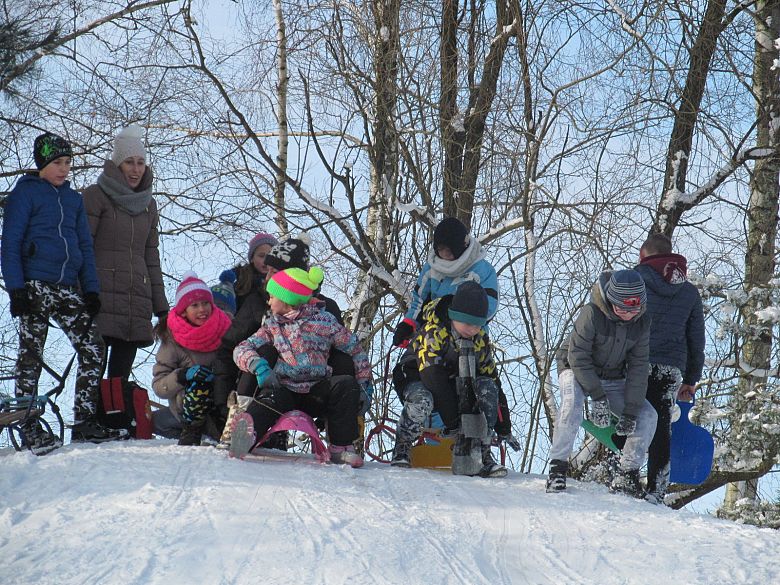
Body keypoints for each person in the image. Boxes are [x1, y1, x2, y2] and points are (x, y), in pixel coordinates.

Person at [1, 132, 124, 450]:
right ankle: (27, 423)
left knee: (94, 348)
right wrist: (16, 288)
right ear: (42, 163)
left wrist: (92, 290)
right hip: (34, 285)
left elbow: (84, 244)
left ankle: (83, 422)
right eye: (57, 163)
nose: (64, 169)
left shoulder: (73, 199)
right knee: (32, 353)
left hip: (68, 287)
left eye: (68, 163)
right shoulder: (25, 194)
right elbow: (10, 242)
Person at [212, 235, 351, 448]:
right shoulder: (258, 302)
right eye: (267, 270)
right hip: (267, 387)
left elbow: (345, 351)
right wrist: (223, 401)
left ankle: (340, 439)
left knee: (343, 360)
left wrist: (347, 397)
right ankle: (240, 422)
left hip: (313, 387)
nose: (266, 276)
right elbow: (230, 347)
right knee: (264, 351)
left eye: (273, 272)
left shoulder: (325, 308)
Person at [390, 217, 516, 449]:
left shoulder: (481, 269)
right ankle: (435, 441)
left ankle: (477, 444)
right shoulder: (432, 268)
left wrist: (458, 310)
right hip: (435, 332)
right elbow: (420, 297)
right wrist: (409, 322)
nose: (445, 255)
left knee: (473, 390)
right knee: (436, 392)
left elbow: (487, 306)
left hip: (468, 337)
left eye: (449, 251)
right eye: (440, 250)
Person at [231, 267, 372, 467]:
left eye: (272, 296)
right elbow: (242, 348)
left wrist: (364, 382)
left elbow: (354, 349)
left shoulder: (324, 321)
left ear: (287, 300)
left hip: (316, 391)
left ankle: (340, 447)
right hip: (285, 389)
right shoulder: (272, 326)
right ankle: (247, 435)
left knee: (345, 384)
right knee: (268, 398)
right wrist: (258, 365)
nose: (269, 301)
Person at [546, 269, 658, 496]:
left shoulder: (642, 323)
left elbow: (638, 367)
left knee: (647, 415)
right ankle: (557, 467)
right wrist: (597, 397)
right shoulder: (591, 313)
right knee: (572, 407)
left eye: (633, 309)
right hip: (574, 369)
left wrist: (630, 411)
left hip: (614, 376)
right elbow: (577, 356)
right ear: (611, 301)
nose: (628, 314)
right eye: (622, 309)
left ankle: (627, 473)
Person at [390, 281, 507, 477]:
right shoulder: (434, 332)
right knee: (423, 400)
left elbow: (492, 379)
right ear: (454, 316)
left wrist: (504, 426)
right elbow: (432, 377)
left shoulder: (479, 341)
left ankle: (482, 452)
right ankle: (402, 445)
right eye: (468, 323)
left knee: (485, 388)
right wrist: (454, 422)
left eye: (478, 325)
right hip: (416, 375)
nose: (472, 329)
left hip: (455, 382)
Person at [82, 124, 168, 381]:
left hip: (135, 298)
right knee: (92, 367)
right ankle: (89, 417)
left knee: (120, 374)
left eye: (140, 162)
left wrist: (161, 307)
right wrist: (82, 291)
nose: (136, 169)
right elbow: (83, 246)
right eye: (129, 162)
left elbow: (151, 257)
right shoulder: (95, 196)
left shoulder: (148, 205)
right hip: (100, 296)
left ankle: (115, 418)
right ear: (118, 164)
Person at [635, 233, 705, 505]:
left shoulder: (635, 279)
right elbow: (696, 338)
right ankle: (656, 488)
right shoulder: (688, 291)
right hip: (671, 367)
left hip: (636, 361)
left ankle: (622, 473)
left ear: (645, 256)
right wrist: (691, 378)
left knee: (627, 414)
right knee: (662, 425)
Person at [152, 271, 232, 445]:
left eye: (205, 303)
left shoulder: (226, 328)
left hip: (223, 400)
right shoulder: (172, 340)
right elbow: (159, 387)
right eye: (194, 305)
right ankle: (192, 432)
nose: (202, 309)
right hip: (190, 404)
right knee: (198, 385)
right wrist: (182, 375)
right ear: (183, 312)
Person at [233, 232, 278, 312]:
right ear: (252, 258)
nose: (266, 261)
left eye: (270, 256)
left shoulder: (282, 281)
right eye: (261, 256)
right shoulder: (239, 277)